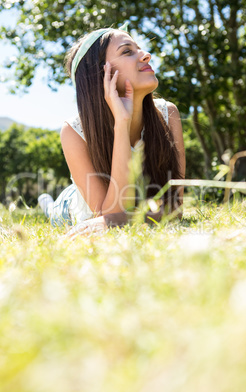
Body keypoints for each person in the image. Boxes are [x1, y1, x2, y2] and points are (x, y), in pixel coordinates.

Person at [38, 22, 185, 235]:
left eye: (139, 49)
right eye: (127, 51)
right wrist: (121, 123)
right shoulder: (73, 131)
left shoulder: (168, 114)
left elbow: (175, 208)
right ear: (101, 75)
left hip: (124, 208)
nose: (146, 55)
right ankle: (47, 204)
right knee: (53, 210)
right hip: (72, 206)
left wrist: (122, 218)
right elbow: (107, 213)